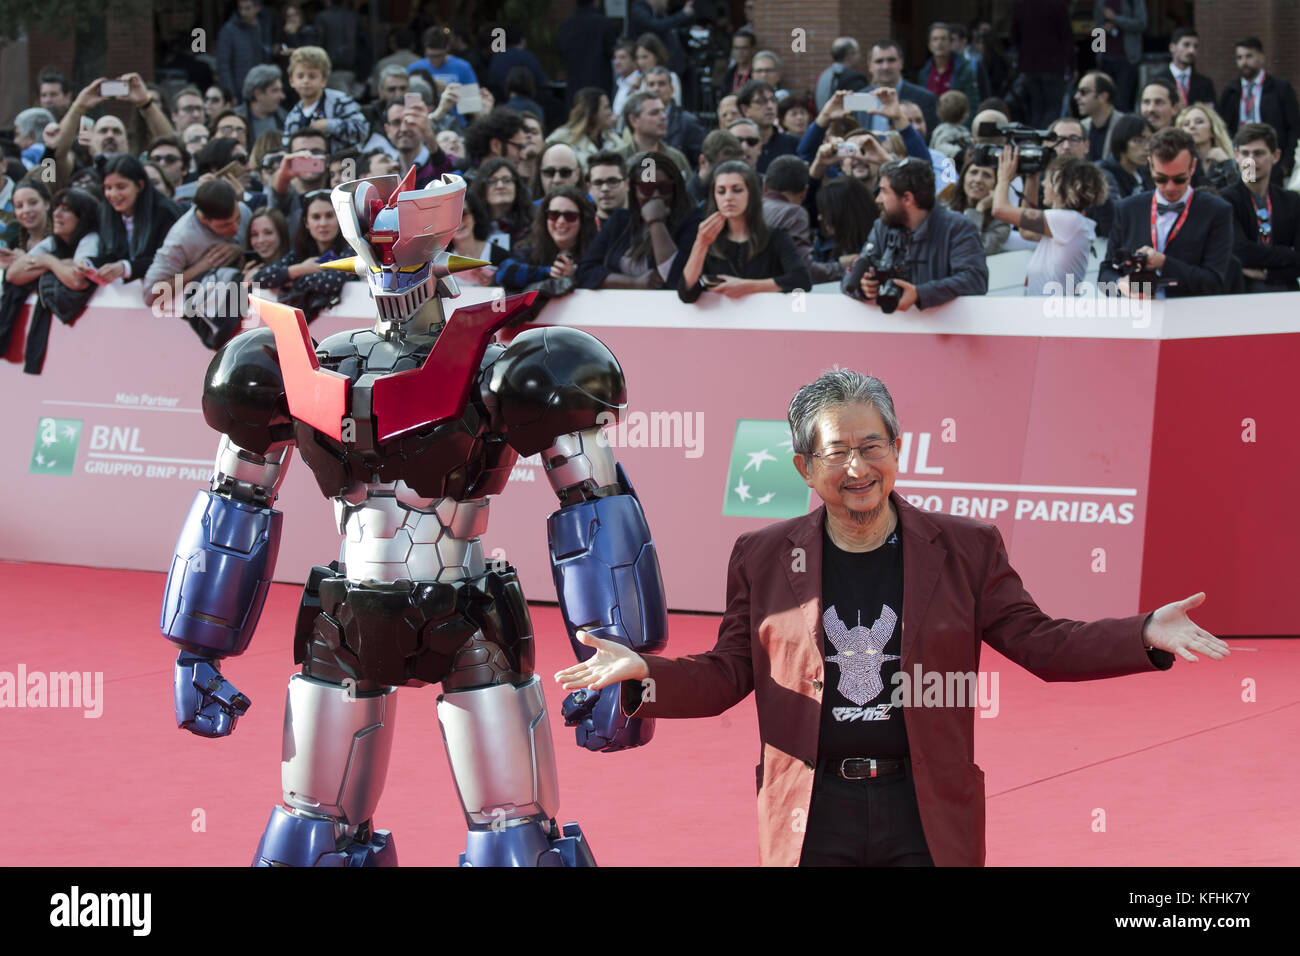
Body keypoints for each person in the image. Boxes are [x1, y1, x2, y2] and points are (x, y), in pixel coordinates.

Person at [556, 369, 1229, 866]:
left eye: (873, 446)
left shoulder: (966, 549)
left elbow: (1042, 643)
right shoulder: (762, 557)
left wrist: (1143, 632)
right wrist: (644, 676)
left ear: (899, 451)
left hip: (925, 811)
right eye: (836, 452)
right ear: (803, 467)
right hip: (814, 812)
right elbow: (729, 672)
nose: (858, 467)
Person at [1100, 126, 1234, 298]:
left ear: (1193, 166)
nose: (1170, 187)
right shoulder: (1128, 209)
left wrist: (1164, 263)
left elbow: (1214, 283)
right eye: (1161, 179)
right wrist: (1121, 285)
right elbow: (1104, 276)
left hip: (1191, 315)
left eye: (1179, 179)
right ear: (1150, 166)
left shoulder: (1217, 211)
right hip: (1138, 316)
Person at [843, 157, 988, 312]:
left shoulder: (958, 228)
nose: (878, 199)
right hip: (890, 329)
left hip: (946, 330)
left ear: (907, 198)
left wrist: (920, 294)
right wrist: (863, 287)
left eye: (884, 191)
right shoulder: (882, 227)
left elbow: (975, 280)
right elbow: (849, 280)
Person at [678, 159, 809, 302]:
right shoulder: (708, 239)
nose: (728, 198)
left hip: (769, 319)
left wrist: (748, 286)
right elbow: (687, 293)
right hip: (721, 321)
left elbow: (801, 281)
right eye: (721, 191)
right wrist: (701, 244)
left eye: (737, 190)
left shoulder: (776, 237)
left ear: (751, 194)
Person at [0, 186, 99, 373]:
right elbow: (14, 274)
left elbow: (78, 281)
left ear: (83, 217)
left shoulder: (92, 239)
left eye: (66, 210)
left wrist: (48, 262)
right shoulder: (54, 241)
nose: (57, 214)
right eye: (57, 208)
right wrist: (56, 263)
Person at [144, 179, 251, 347]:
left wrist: (238, 251)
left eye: (237, 219)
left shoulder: (244, 210)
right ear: (204, 219)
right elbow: (151, 294)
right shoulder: (180, 239)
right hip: (200, 330)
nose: (236, 228)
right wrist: (200, 267)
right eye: (225, 225)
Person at [576, 149, 701, 290]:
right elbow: (585, 273)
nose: (655, 195)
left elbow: (677, 279)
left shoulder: (693, 221)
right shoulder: (619, 221)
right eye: (646, 188)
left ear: (676, 188)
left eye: (664, 188)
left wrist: (656, 223)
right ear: (633, 188)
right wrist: (634, 283)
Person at [993, 148, 1106, 294]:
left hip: (1052, 311)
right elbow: (1026, 232)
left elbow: (999, 210)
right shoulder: (1069, 222)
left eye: (1047, 178)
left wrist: (1003, 178)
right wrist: (1031, 179)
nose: (1043, 184)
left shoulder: (1067, 220)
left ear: (1061, 184)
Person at [252, 188, 356, 321]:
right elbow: (259, 279)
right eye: (316, 217)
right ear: (306, 222)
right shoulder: (300, 251)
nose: (323, 223)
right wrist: (300, 269)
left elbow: (333, 281)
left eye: (329, 216)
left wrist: (292, 281)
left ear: (340, 219)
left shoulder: (352, 248)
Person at [1220, 123, 1300, 292]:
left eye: (1258, 153)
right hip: (1243, 293)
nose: (1251, 160)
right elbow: (1239, 251)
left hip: (1287, 292)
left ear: (1276, 156)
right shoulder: (1224, 199)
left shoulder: (1292, 201)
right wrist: (1289, 254)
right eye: (1245, 153)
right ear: (1236, 155)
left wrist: (1267, 274)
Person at [85, 154, 183, 286]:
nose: (113, 194)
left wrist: (125, 268)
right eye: (108, 188)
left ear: (140, 185)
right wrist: (88, 263)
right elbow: (115, 253)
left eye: (121, 187)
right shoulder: (106, 212)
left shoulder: (165, 212)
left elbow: (168, 260)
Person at [1218, 37, 1300, 179]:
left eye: (1249, 56)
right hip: (1241, 156)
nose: (1244, 62)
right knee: (1248, 193)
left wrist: (1286, 165)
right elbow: (1222, 127)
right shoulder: (1231, 91)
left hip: (1272, 158)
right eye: (1239, 57)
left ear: (1261, 57)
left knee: (1270, 198)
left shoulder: (1280, 88)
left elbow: (1294, 127)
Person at [496, 186, 597, 291]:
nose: (561, 221)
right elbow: (504, 272)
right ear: (545, 218)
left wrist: (576, 275)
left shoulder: (596, 251)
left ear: (583, 220)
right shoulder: (530, 247)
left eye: (570, 216)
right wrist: (549, 272)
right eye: (553, 215)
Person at [282, 46, 368, 154]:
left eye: (312, 76)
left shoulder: (340, 101)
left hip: (344, 164)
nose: (306, 81)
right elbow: (287, 147)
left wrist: (330, 125)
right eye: (300, 76)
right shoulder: (293, 117)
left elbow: (362, 130)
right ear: (291, 81)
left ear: (324, 80)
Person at [1011, 0, 1072, 127]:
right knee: (1053, 108)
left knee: (1036, 108)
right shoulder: (1058, 6)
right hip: (1054, 66)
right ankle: (1047, 138)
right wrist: (1072, 65)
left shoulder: (1022, 6)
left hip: (1030, 66)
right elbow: (1067, 38)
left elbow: (1015, 37)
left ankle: (1036, 140)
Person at [862, 40, 938, 136]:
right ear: (870, 66)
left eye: (891, 60)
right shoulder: (860, 98)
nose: (885, 66)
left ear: (901, 63)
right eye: (879, 61)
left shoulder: (925, 99)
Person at [813, 177, 877, 281]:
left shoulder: (878, 241)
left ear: (843, 213)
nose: (820, 217)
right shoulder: (823, 241)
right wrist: (838, 265)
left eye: (825, 211)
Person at [556, 0, 617, 108]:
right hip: (599, 84)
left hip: (574, 86)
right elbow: (612, 51)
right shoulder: (604, 23)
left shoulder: (565, 26)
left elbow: (561, 53)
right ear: (596, 2)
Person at [944, 157, 1009, 255]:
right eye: (974, 172)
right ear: (963, 178)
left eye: (987, 175)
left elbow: (970, 250)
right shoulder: (944, 210)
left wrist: (980, 209)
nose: (978, 180)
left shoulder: (1001, 223)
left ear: (996, 185)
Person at [617, 92, 690, 178]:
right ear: (634, 120)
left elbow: (687, 190)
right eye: (654, 113)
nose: (663, 116)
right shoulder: (618, 159)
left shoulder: (677, 158)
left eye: (663, 111)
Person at [545, 88, 620, 168]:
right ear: (592, 111)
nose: (610, 112)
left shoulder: (614, 140)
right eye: (606, 107)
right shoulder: (562, 138)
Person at [1092, 0, 1146, 113]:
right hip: (1105, 58)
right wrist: (1103, 29)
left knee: (1122, 101)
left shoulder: (1134, 2)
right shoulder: (1100, 2)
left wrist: (1116, 19)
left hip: (1127, 58)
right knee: (1104, 101)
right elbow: (1096, 29)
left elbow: (1142, 23)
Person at [645, 67, 704, 166]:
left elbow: (700, 163)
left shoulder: (688, 122)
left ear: (672, 89)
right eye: (651, 84)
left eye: (661, 84)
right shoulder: (638, 121)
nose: (656, 89)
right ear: (645, 89)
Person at [447, 189, 507, 285]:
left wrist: (493, 283)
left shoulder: (500, 256)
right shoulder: (439, 262)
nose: (459, 222)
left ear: (475, 216)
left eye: (464, 213)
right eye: (451, 217)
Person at [469, 157, 532, 248]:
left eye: (506, 180)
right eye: (492, 181)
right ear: (482, 188)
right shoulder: (471, 226)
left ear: (516, 186)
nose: (500, 186)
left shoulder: (531, 223)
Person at [737, 81, 798, 174]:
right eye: (761, 102)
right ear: (745, 110)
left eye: (773, 100)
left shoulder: (792, 143)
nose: (770, 106)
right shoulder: (735, 145)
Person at [218, 0, 272, 104]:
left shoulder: (263, 27)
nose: (243, 12)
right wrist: (230, 93)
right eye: (240, 8)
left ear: (257, 8)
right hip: (240, 90)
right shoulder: (228, 31)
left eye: (247, 8)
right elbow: (223, 65)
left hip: (261, 88)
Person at [1177, 103, 1238, 192]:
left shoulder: (1228, 160)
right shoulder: (1178, 162)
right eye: (1186, 124)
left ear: (1213, 130)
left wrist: (1227, 163)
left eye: (1199, 122)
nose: (1192, 126)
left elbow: (1239, 192)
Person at [919, 22, 977, 106]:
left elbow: (973, 103)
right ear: (929, 45)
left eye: (943, 39)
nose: (939, 43)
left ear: (950, 43)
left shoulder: (965, 71)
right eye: (935, 39)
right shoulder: (924, 73)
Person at [1097, 114, 1154, 201]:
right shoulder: (1104, 173)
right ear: (1122, 140)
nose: (1147, 147)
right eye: (1139, 141)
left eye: (1150, 140)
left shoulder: (1146, 171)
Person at [1077, 71, 1127, 163]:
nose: (1077, 96)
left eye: (1083, 92)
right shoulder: (1080, 126)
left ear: (1103, 96)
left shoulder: (1125, 126)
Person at [1162, 28, 1216, 109]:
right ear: (1172, 47)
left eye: (1195, 46)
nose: (1192, 50)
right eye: (1186, 45)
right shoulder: (1159, 80)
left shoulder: (1205, 83)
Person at [237, 65, 288, 143]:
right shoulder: (236, 119)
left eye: (281, 90)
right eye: (275, 91)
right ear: (258, 94)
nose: (282, 96)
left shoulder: (286, 118)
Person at [242, 206, 290, 285]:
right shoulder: (242, 273)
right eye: (255, 234)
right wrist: (243, 285)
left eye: (268, 232)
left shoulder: (296, 268)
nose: (260, 240)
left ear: (281, 233)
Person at [633, 34, 682, 107]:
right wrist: (634, 90)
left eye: (645, 57)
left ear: (656, 56)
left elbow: (675, 105)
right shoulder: (637, 80)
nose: (641, 62)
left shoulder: (671, 77)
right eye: (638, 58)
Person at [815, 38, 860, 111]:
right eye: (857, 53)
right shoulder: (853, 77)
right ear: (849, 55)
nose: (859, 57)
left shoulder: (823, 74)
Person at [585, 151, 628, 226]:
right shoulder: (581, 230)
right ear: (589, 188)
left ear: (627, 184)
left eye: (613, 181)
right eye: (598, 183)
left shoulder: (645, 226)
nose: (605, 188)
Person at [719, 27, 757, 97]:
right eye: (736, 48)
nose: (739, 52)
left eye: (744, 48)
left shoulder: (759, 74)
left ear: (753, 49)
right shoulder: (727, 76)